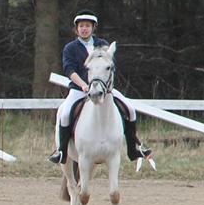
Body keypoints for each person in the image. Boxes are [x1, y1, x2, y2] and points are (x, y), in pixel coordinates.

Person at [49, 10, 152, 164]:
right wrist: (84, 85)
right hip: (79, 89)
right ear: (76, 29)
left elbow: (110, 68)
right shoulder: (70, 48)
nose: (84, 29)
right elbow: (69, 70)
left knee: (130, 109)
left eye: (87, 26)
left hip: (104, 90)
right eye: (81, 26)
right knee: (65, 114)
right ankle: (62, 151)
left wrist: (107, 87)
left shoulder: (102, 45)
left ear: (93, 28)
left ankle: (133, 149)